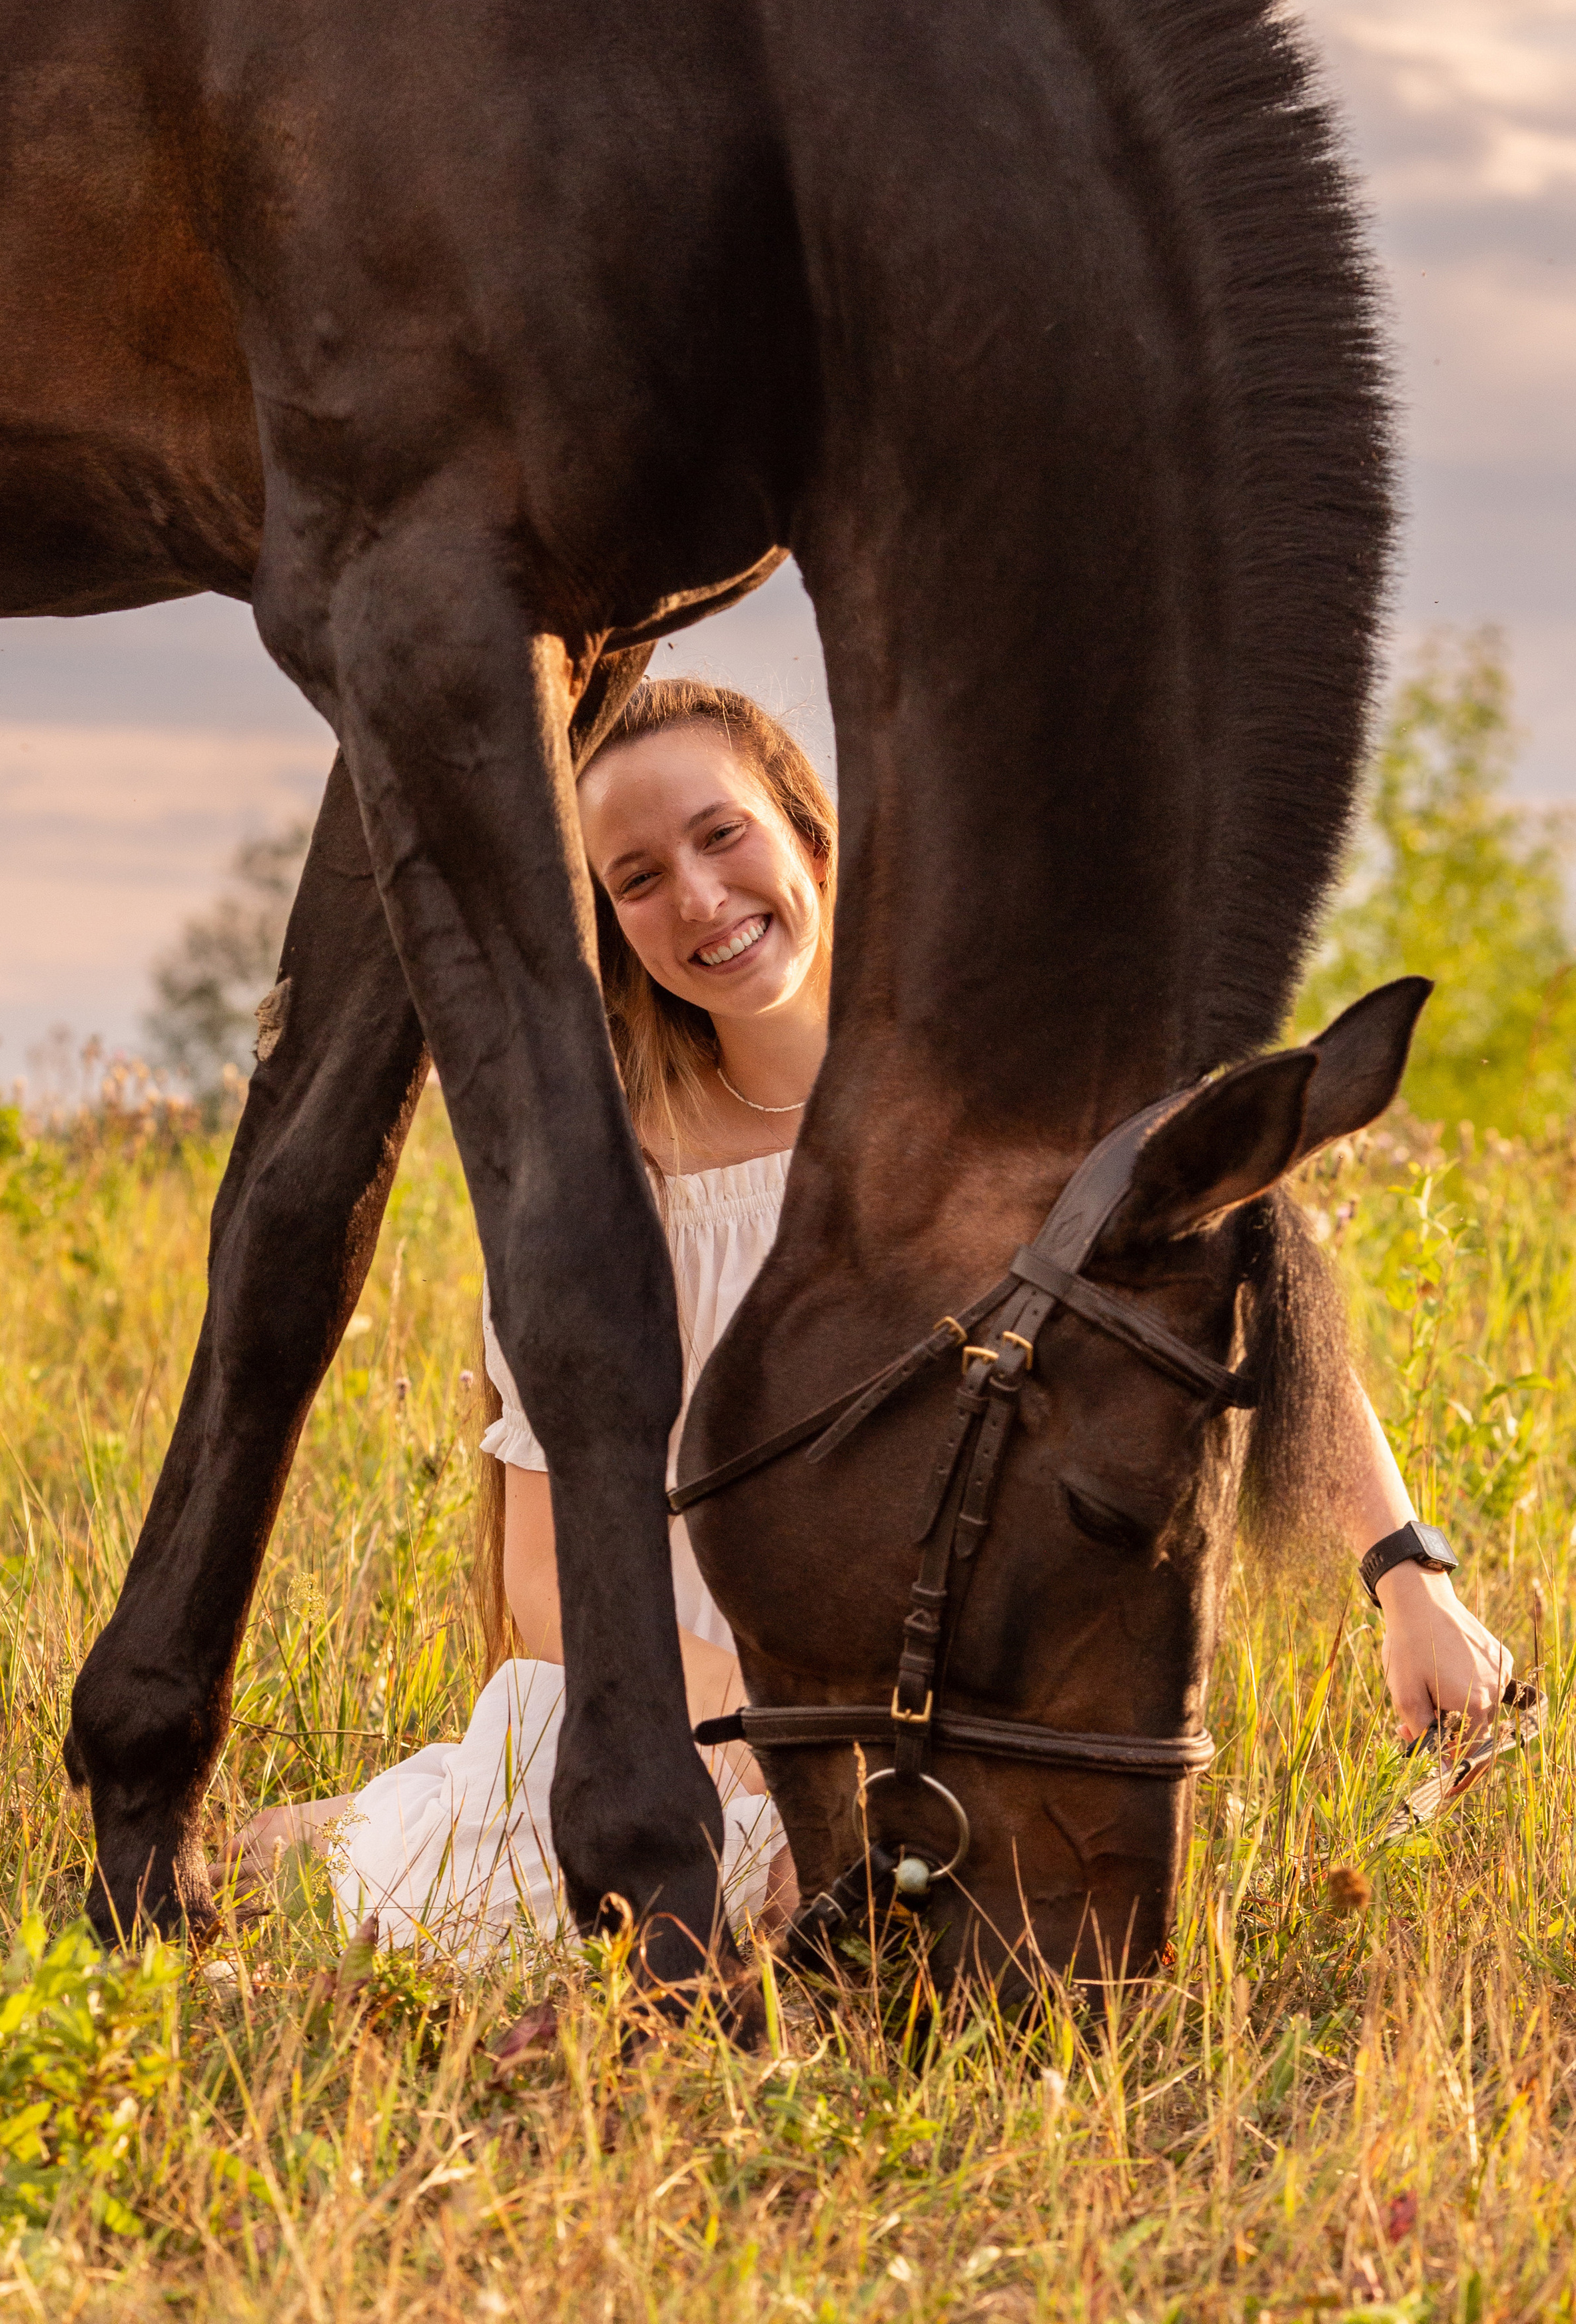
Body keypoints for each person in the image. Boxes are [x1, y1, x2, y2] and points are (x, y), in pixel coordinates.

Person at [220, 677, 1512, 1952]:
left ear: (811, 839)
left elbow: (1224, 1312)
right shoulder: (605, 1196)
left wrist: (1407, 1575)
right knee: (632, 1929)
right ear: (607, 926)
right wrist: (808, 1733)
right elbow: (541, 1583)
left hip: (966, 1718)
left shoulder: (1002, 1120)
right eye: (637, 877)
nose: (701, 899)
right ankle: (371, 1826)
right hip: (695, 1719)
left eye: (721, 834)